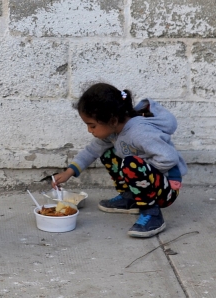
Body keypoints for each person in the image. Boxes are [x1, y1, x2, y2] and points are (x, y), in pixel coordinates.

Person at [51, 82, 187, 238]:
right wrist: (69, 172)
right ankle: (130, 198)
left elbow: (169, 158)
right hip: (145, 182)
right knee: (108, 153)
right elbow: (92, 150)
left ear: (113, 120)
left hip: (167, 189)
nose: (90, 131)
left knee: (131, 164)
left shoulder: (139, 132)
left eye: (92, 126)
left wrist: (142, 174)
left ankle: (152, 214)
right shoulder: (114, 132)